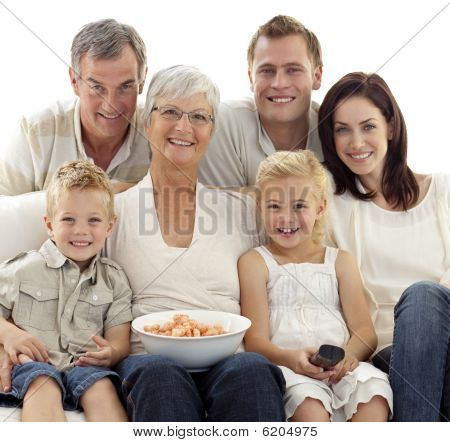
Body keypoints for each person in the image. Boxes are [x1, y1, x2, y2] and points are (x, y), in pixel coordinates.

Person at [106, 65, 286, 422]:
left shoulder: (242, 210)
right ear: (146, 121)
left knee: (252, 371)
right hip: (147, 362)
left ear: (211, 130)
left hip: (230, 358)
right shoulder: (114, 211)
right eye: (170, 111)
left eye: (199, 116)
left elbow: (298, 259)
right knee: (160, 375)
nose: (184, 127)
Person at [318, 72, 450, 421]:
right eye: (342, 129)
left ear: (391, 127)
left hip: (446, 339)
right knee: (420, 298)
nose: (356, 142)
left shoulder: (443, 191)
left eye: (368, 126)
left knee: (426, 297)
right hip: (388, 354)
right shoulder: (331, 203)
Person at [238, 150, 392, 421]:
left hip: (345, 369)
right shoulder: (255, 262)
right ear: (260, 206)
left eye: (299, 206)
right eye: (274, 206)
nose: (287, 217)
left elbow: (365, 332)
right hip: (291, 370)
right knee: (310, 409)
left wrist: (348, 356)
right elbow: (255, 342)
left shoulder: (340, 261)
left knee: (375, 396)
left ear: (320, 208)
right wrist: (290, 358)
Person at [0, 160, 132, 421]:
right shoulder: (23, 269)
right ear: (49, 224)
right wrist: (9, 333)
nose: (80, 230)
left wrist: (112, 352)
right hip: (33, 364)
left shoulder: (114, 279)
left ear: (109, 226)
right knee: (42, 384)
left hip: (84, 365)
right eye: (68, 219)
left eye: (93, 220)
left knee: (102, 387)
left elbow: (120, 339)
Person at [0, 18, 150, 196]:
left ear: (142, 81)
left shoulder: (161, 133)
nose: (111, 105)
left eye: (125, 86)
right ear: (74, 81)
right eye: (97, 87)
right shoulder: (34, 133)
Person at [199, 15, 323, 188]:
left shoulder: (336, 130)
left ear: (317, 76)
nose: (279, 84)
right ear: (251, 78)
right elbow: (223, 211)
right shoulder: (224, 123)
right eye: (267, 71)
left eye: (293, 70)